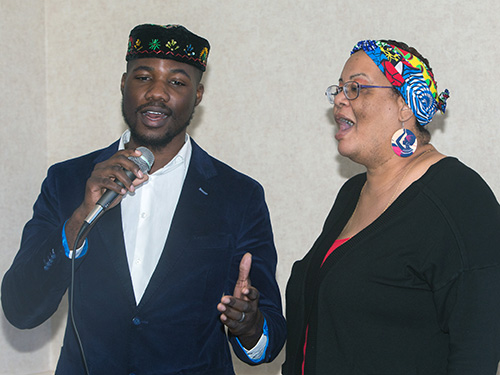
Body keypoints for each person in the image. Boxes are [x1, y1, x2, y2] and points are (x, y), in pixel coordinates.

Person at [2, 23, 286, 375]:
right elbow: (20, 308)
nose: (157, 93)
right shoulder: (68, 180)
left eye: (177, 82)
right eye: (143, 77)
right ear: (124, 85)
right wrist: (78, 220)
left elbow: (269, 341)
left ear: (197, 95)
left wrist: (250, 325)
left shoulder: (238, 196)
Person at [282, 39, 500, 374]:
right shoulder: (353, 193)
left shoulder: (459, 196)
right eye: (340, 88)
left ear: (405, 106)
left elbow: (477, 349)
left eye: (357, 88)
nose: (340, 99)